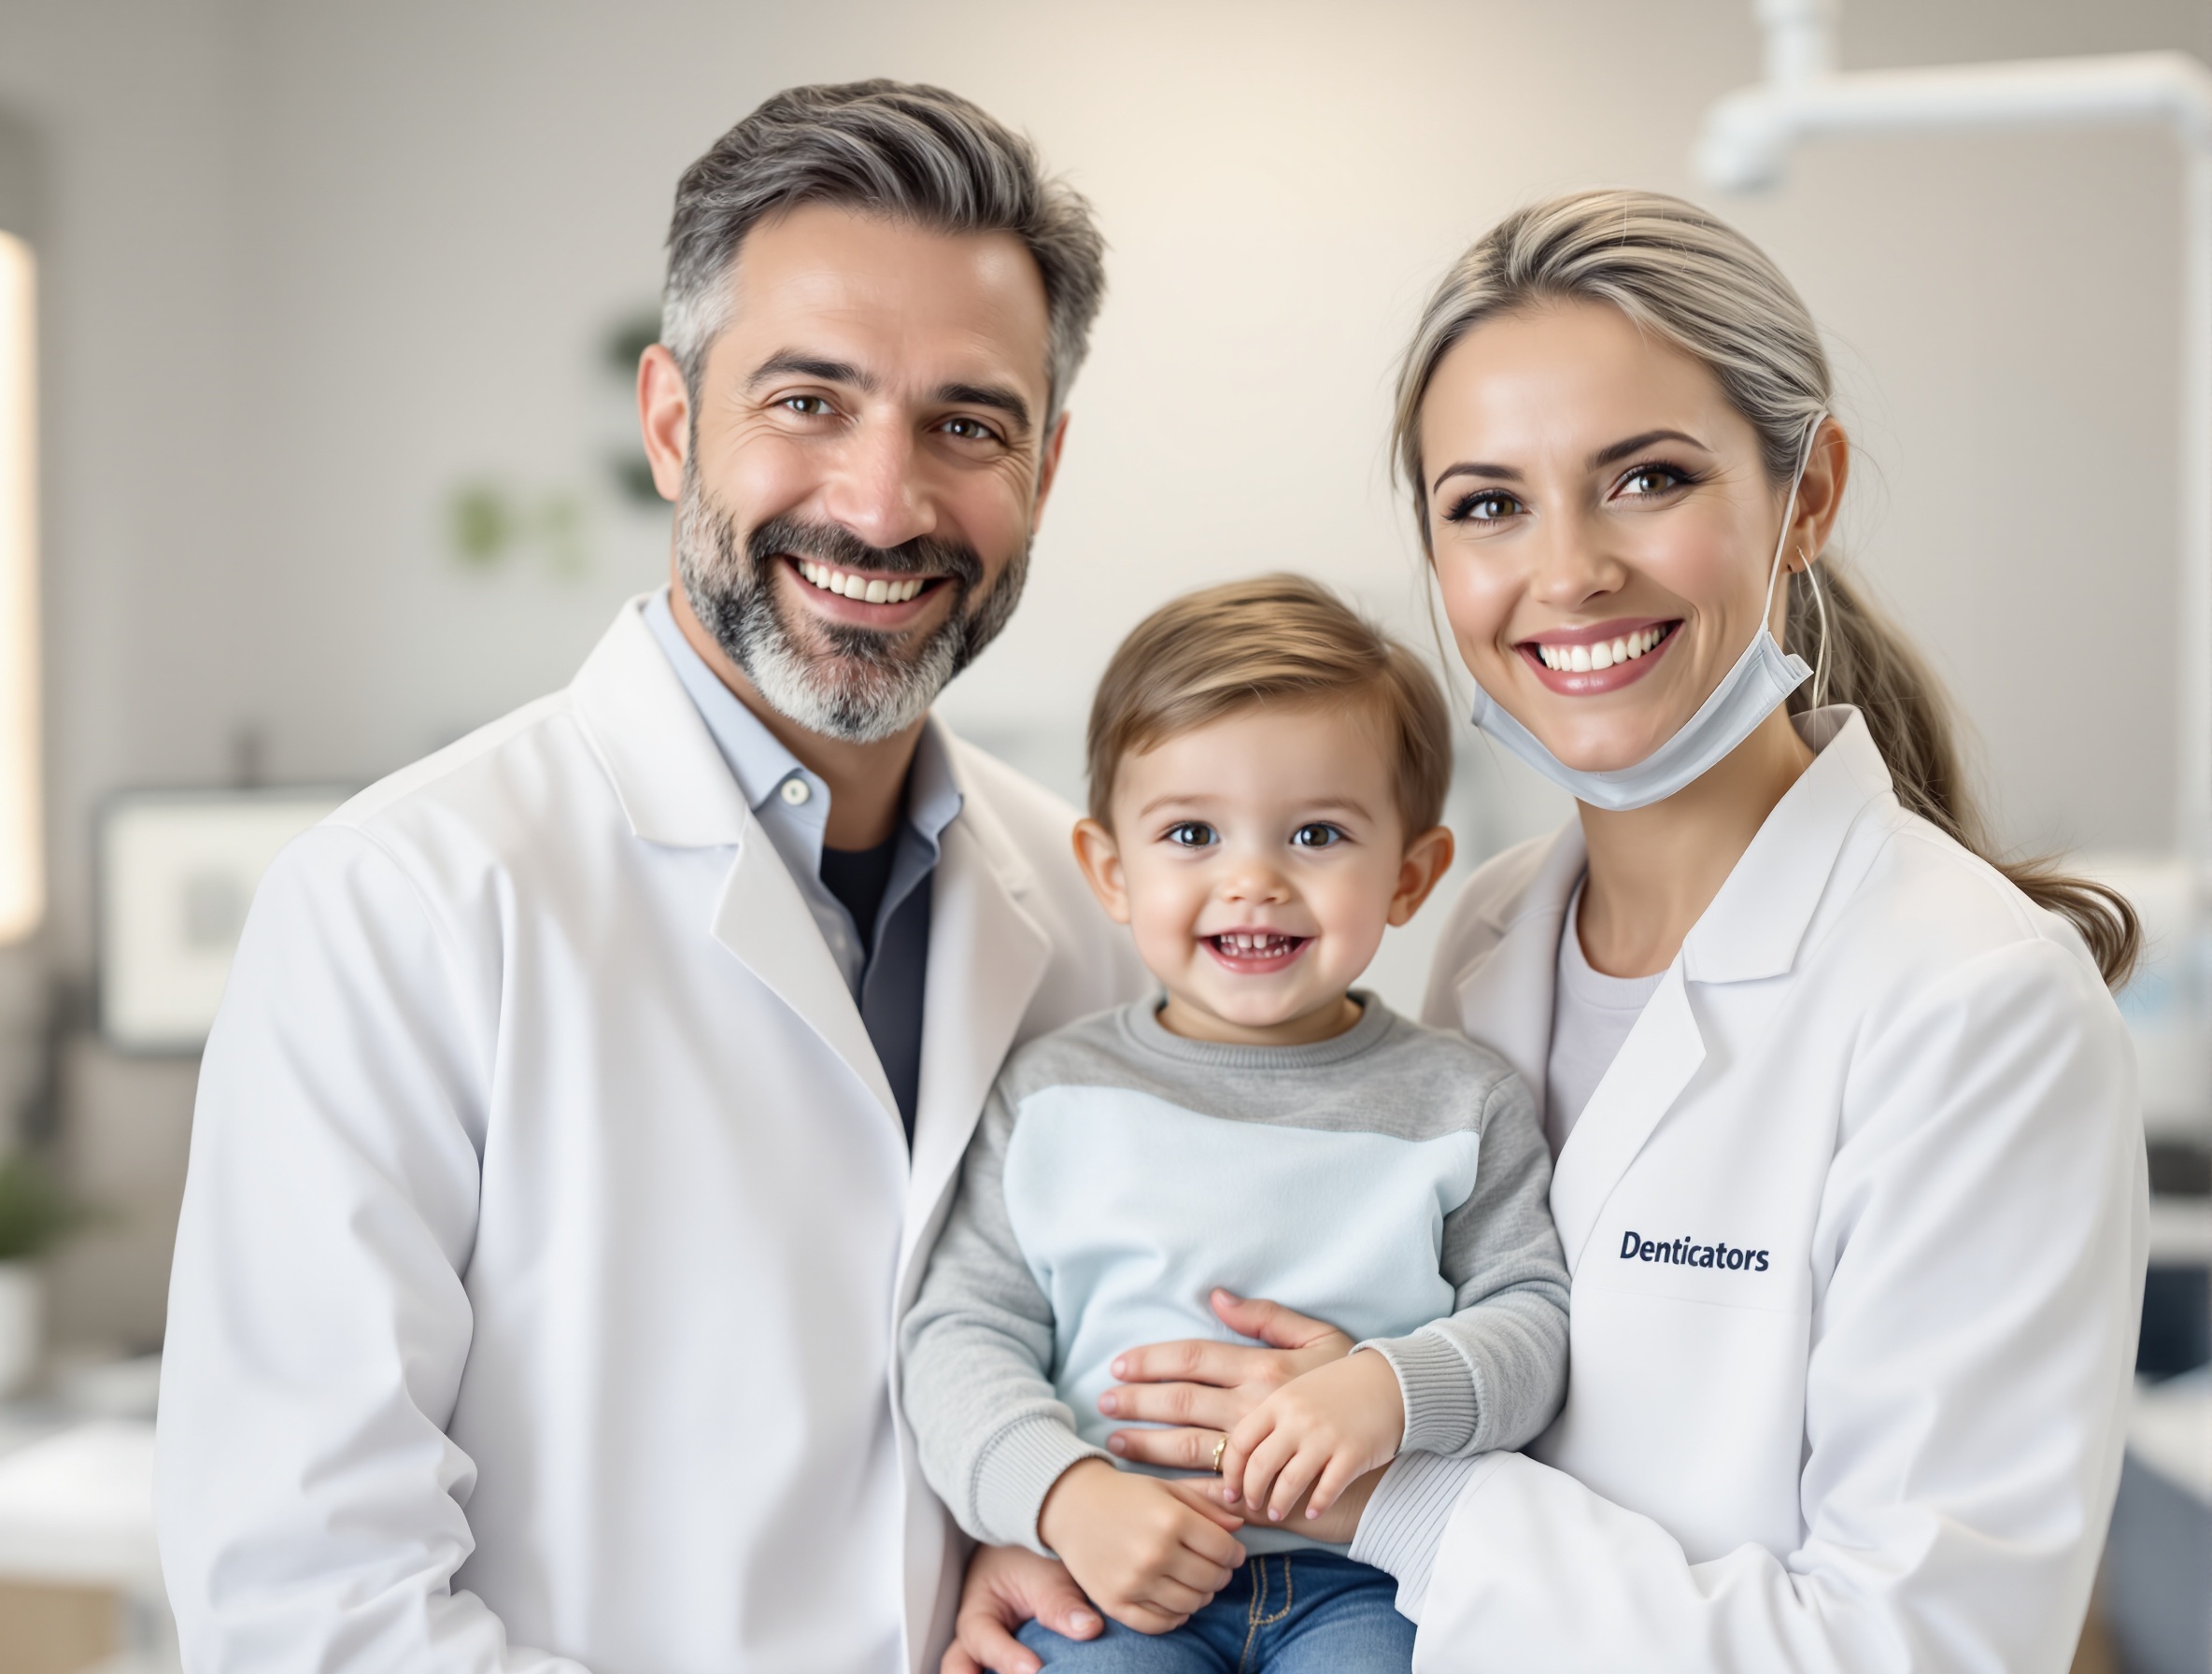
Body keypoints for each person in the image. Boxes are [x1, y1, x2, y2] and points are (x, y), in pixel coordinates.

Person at [947, 190, 2148, 1674]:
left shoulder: (1974, 1004)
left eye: (1646, 478)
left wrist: (1399, 1494)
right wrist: (1067, 1530)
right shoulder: (1484, 931)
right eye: (1489, 504)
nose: (1567, 571)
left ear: (1807, 496)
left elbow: (1929, 1649)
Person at [154, 80, 1149, 1674]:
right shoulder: (401, 904)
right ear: (674, 420)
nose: (882, 505)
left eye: (966, 424)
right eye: (807, 400)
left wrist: (1029, 1544)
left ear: (1043, 466)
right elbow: (306, 1611)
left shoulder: (1099, 907)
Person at [900, 576, 1570, 1672]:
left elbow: (1533, 1323)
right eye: (1192, 833)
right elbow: (958, 1338)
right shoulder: (1048, 1094)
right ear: (1110, 871)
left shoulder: (1465, 1102)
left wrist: (1389, 1390)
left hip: (1370, 1578)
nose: (1252, 880)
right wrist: (1063, 1496)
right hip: (1113, 1574)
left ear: (1410, 875)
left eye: (1315, 833)